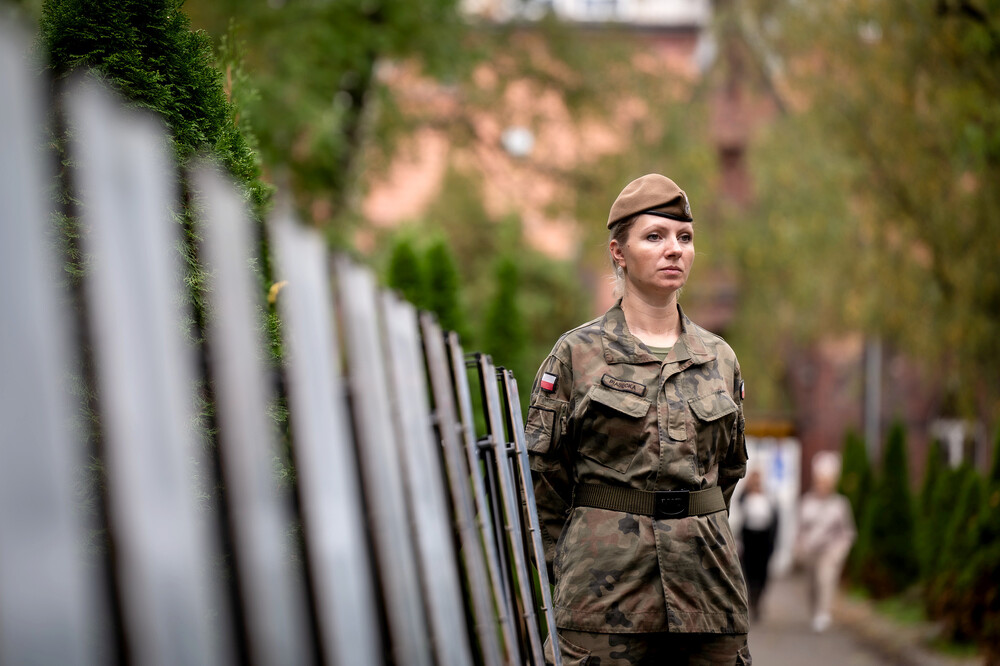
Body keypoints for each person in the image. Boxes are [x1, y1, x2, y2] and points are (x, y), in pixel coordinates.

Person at [525, 174, 751, 665]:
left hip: (707, 596)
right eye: (655, 236)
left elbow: (728, 471)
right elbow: (543, 479)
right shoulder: (576, 355)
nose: (674, 250)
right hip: (603, 599)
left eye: (684, 238)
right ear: (619, 252)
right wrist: (563, 573)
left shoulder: (720, 358)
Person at [793, 451, 856, 633]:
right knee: (812, 584)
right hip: (810, 551)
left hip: (830, 551)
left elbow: (848, 532)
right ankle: (815, 611)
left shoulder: (840, 504)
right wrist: (798, 546)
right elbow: (799, 528)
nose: (823, 486)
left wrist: (840, 551)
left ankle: (823, 613)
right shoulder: (806, 502)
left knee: (825, 579)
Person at [737, 468, 778, 621]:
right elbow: (739, 515)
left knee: (762, 573)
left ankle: (758, 599)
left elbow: (775, 521)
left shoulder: (769, 497)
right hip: (749, 540)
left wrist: (774, 542)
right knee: (748, 571)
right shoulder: (745, 497)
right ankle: (751, 599)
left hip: (764, 541)